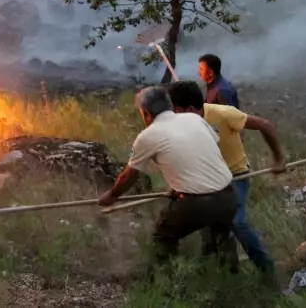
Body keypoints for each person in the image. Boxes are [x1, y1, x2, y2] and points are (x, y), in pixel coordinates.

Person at [98, 86, 239, 266]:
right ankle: (230, 279)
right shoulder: (195, 119)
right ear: (169, 105)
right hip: (228, 197)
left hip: (196, 204)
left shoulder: (147, 136)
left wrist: (112, 196)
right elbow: (201, 151)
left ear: (146, 113)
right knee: (222, 234)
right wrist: (181, 186)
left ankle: (167, 285)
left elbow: (128, 176)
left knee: (162, 236)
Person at [166, 81, 285, 279]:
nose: (175, 115)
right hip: (206, 180)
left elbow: (265, 125)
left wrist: (279, 159)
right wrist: (178, 186)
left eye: (177, 111)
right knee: (209, 225)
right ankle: (228, 274)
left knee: (236, 221)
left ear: (190, 109)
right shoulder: (181, 125)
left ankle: (268, 271)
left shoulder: (223, 114)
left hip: (236, 176)